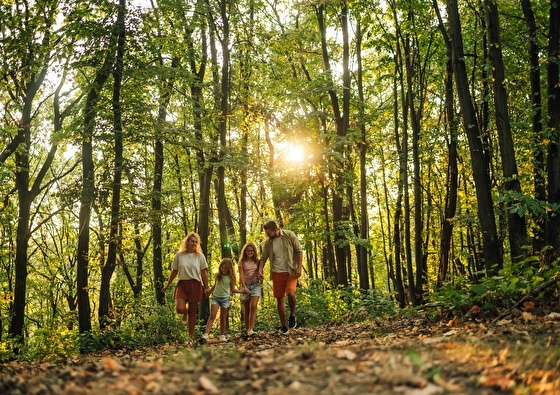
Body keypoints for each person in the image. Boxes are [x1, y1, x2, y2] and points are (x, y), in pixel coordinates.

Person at [162, 232, 210, 344]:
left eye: (196, 242)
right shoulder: (179, 255)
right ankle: (185, 312)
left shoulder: (200, 256)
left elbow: (204, 273)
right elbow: (174, 271)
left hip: (196, 285)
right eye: (192, 241)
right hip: (182, 284)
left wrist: (206, 287)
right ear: (187, 242)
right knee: (179, 308)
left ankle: (190, 338)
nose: (194, 243)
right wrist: (167, 285)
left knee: (192, 313)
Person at [257, 220, 303, 334]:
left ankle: (292, 315)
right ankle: (283, 326)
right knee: (279, 299)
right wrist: (260, 270)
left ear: (275, 230)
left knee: (291, 293)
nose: (267, 235)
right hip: (277, 272)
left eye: (269, 233)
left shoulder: (289, 235)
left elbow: (299, 251)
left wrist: (299, 268)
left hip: (291, 270)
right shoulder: (268, 242)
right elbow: (263, 258)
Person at [201, 258, 244, 342]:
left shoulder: (231, 278)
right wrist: (209, 291)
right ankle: (206, 334)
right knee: (212, 315)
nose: (223, 270)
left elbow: (232, 289)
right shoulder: (217, 275)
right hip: (216, 297)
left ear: (229, 269)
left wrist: (241, 291)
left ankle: (222, 335)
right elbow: (215, 285)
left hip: (225, 299)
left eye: (226, 268)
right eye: (222, 268)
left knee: (223, 317)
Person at [238, 242, 261, 336]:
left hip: (256, 285)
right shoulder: (241, 262)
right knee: (247, 309)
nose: (250, 252)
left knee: (253, 306)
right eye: (248, 251)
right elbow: (241, 275)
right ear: (245, 251)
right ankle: (247, 330)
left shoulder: (257, 261)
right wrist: (244, 286)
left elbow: (260, 271)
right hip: (245, 286)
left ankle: (251, 329)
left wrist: (261, 275)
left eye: (251, 250)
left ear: (254, 251)